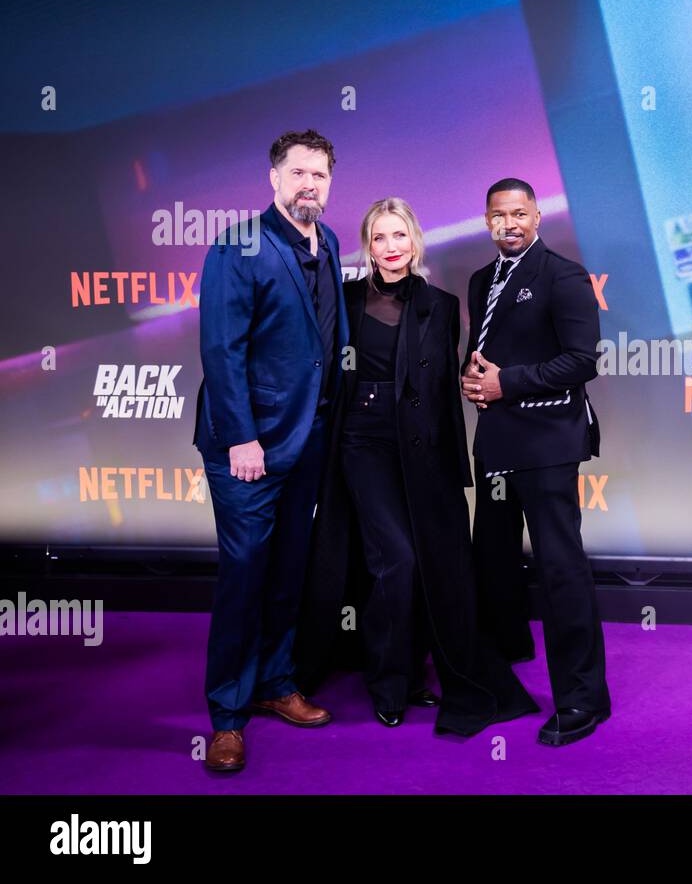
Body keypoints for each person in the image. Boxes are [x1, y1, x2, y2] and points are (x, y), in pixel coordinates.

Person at [295, 197, 539, 734]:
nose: (391, 248)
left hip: (421, 447)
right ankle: (389, 683)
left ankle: (412, 675)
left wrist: (455, 465)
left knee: (428, 562)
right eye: (380, 238)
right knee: (396, 560)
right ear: (368, 245)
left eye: (400, 236)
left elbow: (441, 394)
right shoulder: (347, 298)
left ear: (415, 241)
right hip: (361, 442)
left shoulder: (442, 305)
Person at [193, 129, 346, 772]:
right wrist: (241, 437)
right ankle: (227, 716)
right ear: (274, 179)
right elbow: (221, 349)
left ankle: (276, 684)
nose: (310, 183)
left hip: (310, 439)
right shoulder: (238, 245)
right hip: (248, 448)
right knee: (244, 576)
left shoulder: (330, 241)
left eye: (320, 174)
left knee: (288, 571)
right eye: (299, 172)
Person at [460, 177, 611, 746]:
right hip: (496, 443)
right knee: (493, 566)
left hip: (548, 446)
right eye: (499, 215)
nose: (510, 224)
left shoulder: (564, 275)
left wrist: (506, 385)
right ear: (488, 220)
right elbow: (492, 354)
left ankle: (582, 699)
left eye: (519, 213)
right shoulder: (481, 281)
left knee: (560, 570)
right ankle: (502, 680)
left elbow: (581, 361)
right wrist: (476, 383)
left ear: (537, 216)